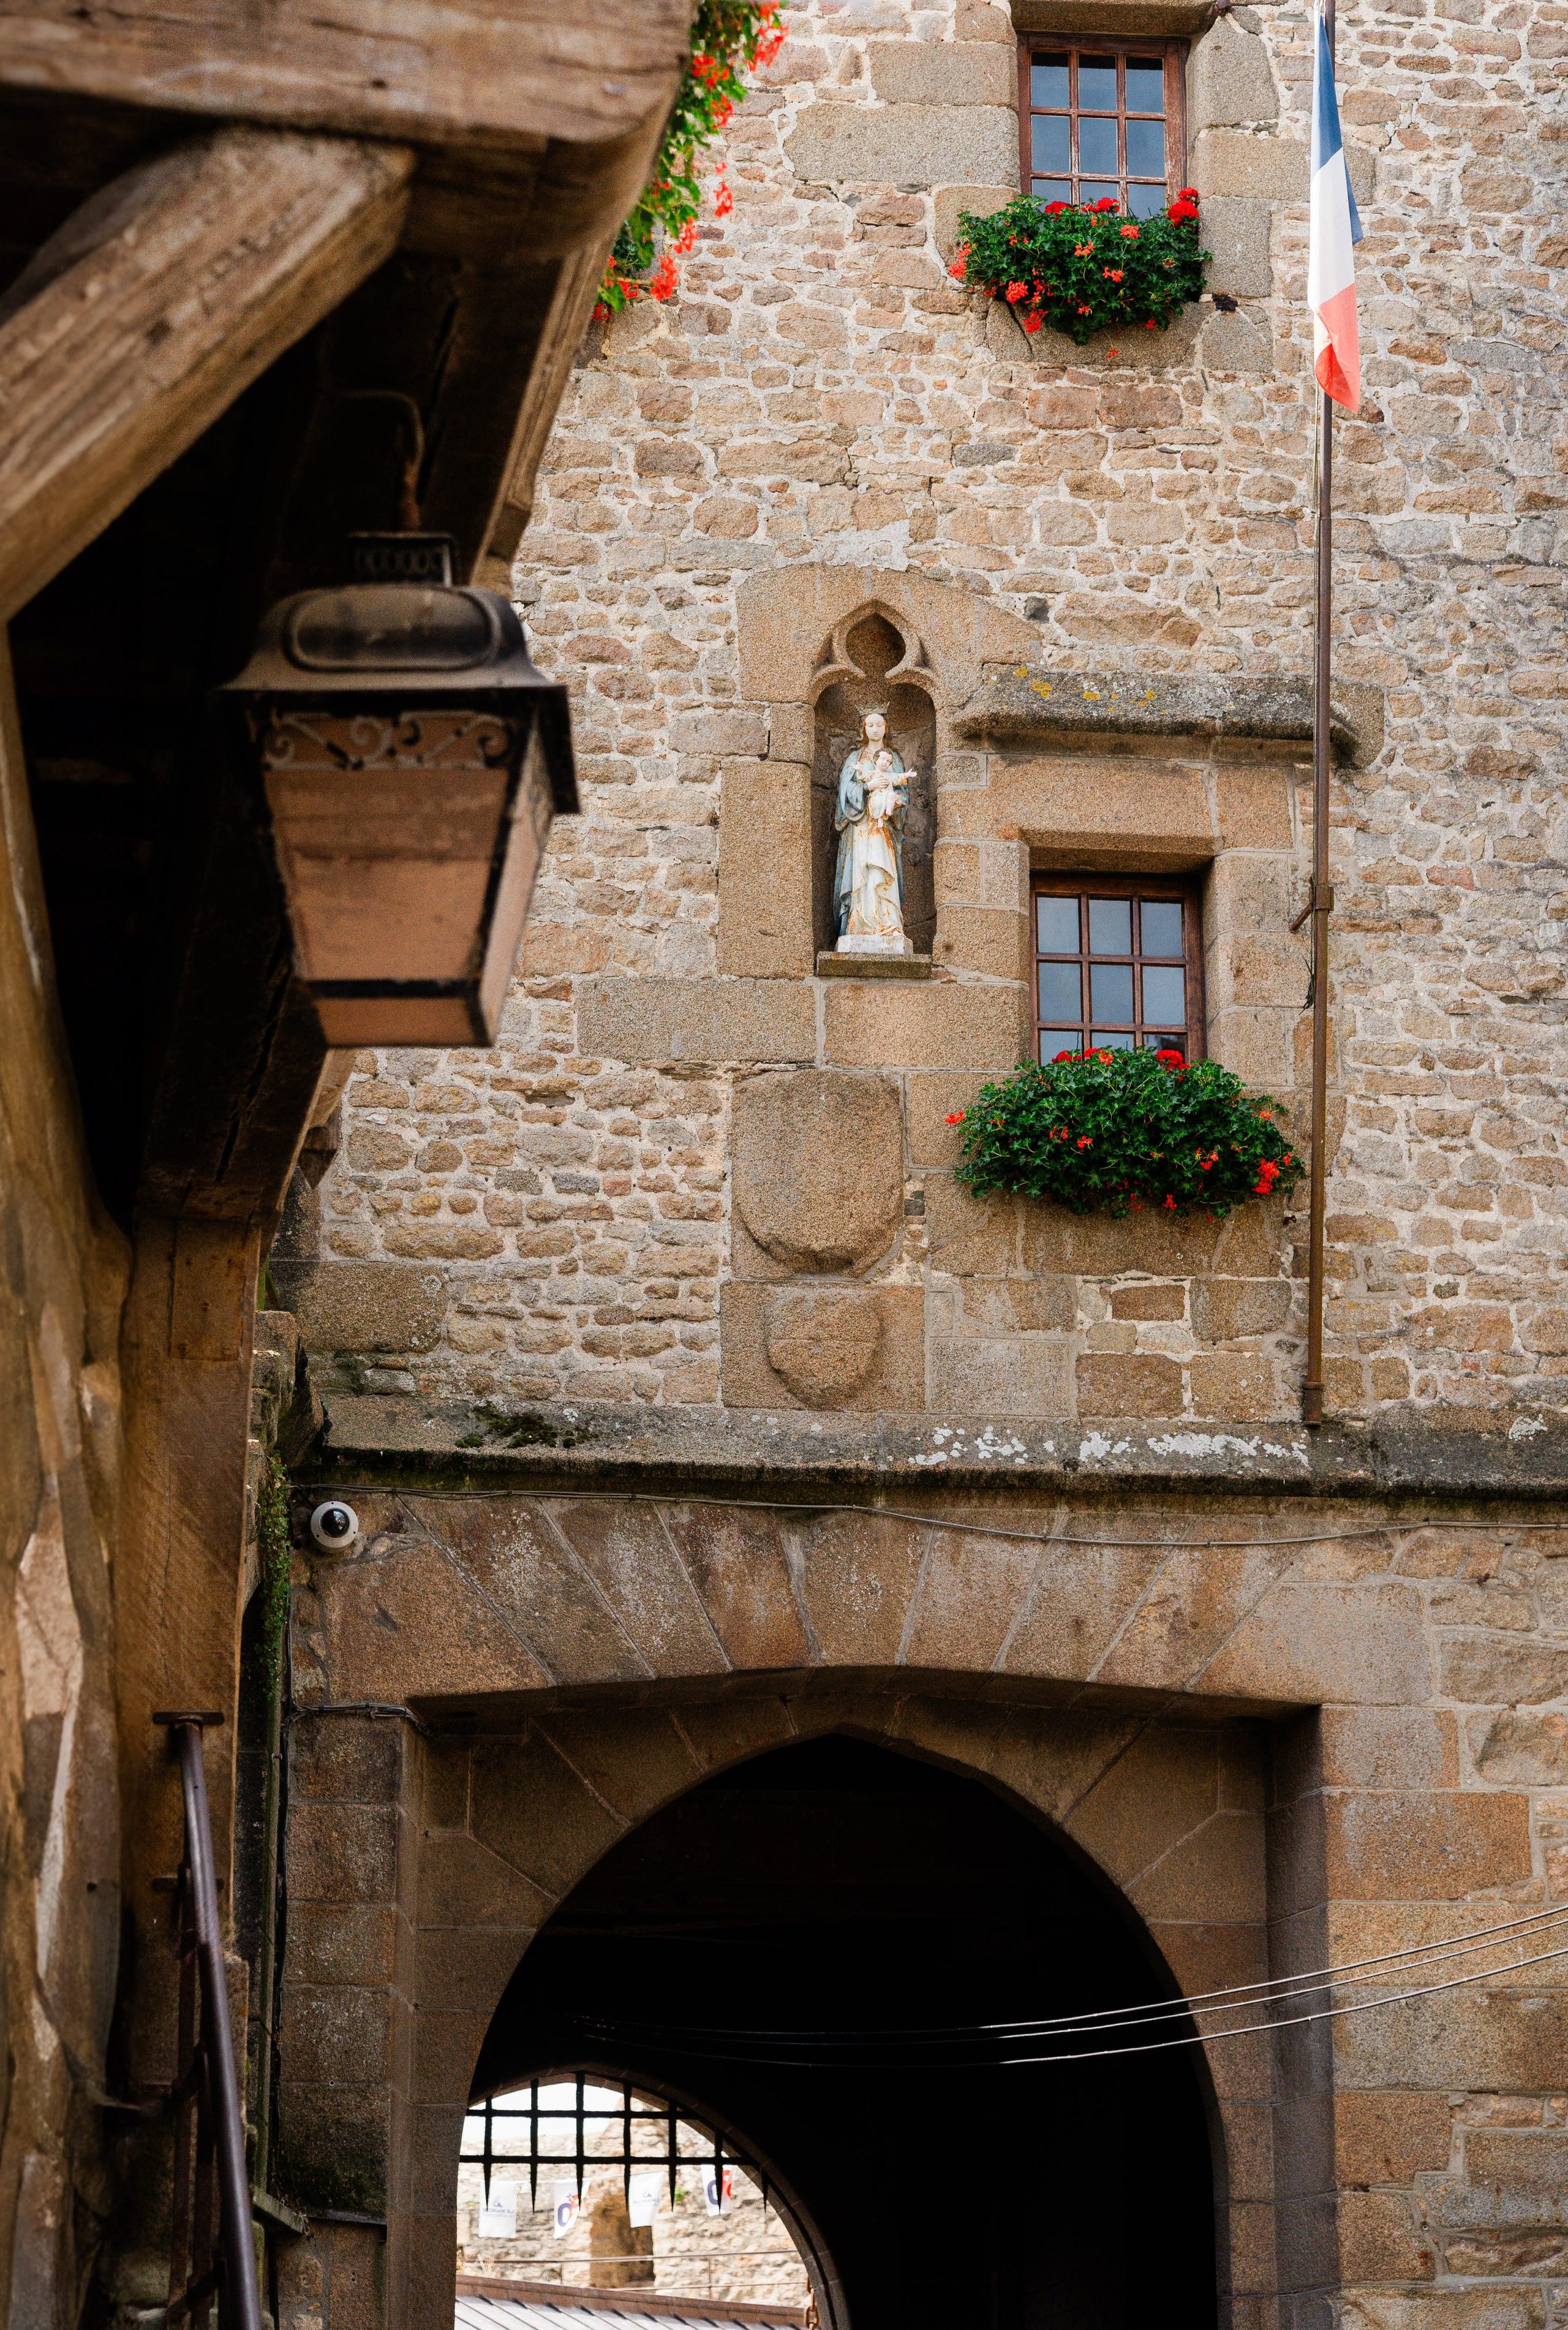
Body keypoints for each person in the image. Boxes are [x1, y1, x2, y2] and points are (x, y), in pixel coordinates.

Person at [833, 709, 909, 948]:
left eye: (879, 725)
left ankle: (888, 922)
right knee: (862, 872)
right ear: (863, 729)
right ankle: (858, 924)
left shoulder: (894, 759)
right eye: (870, 725)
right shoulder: (855, 760)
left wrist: (896, 802)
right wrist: (868, 787)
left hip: (883, 827)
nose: (875, 730)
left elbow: (903, 792)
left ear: (886, 728)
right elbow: (845, 796)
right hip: (860, 829)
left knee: (883, 868)